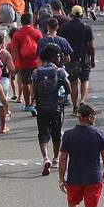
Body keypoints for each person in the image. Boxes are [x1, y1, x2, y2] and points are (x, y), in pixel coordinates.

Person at [58, 103, 104, 207]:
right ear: (88, 117)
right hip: (94, 177)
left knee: (73, 204)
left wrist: (61, 178)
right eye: (94, 115)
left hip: (74, 177)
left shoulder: (68, 135)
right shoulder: (99, 134)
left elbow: (63, 158)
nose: (95, 118)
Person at [31, 44, 70, 176]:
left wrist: (33, 99)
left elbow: (33, 90)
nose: (59, 58)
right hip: (56, 106)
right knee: (56, 133)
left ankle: (45, 158)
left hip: (41, 106)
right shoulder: (60, 71)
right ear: (53, 57)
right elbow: (67, 86)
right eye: (58, 56)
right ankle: (55, 159)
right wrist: (66, 95)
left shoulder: (36, 72)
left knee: (42, 133)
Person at [60, 5, 95, 113]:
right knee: (84, 80)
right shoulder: (86, 27)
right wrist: (92, 59)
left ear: (71, 14)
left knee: (73, 82)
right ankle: (82, 100)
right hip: (84, 58)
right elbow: (91, 45)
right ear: (81, 14)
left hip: (70, 59)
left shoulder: (65, 27)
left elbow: (62, 44)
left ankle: (75, 106)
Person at [8, 12, 43, 114]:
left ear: (21, 22)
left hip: (23, 63)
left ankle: (27, 104)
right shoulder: (37, 33)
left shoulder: (17, 34)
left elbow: (14, 51)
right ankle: (35, 102)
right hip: (36, 63)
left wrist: (12, 64)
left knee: (25, 83)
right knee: (35, 83)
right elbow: (41, 48)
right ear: (31, 21)